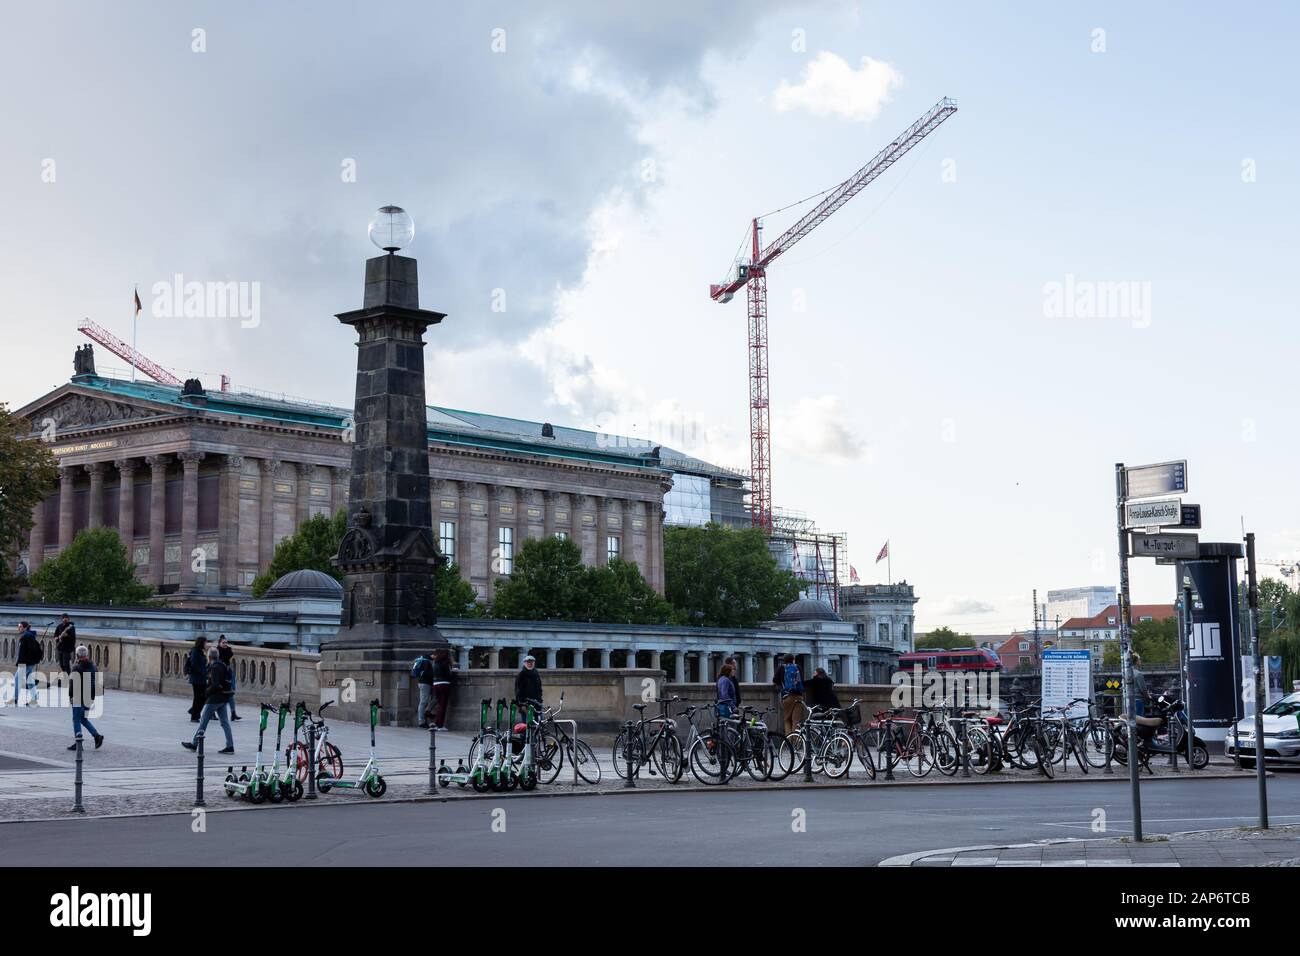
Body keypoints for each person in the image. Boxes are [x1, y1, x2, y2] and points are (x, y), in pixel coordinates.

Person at [183, 646, 235, 754]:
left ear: (209, 656)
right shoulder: (222, 665)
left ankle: (194, 744)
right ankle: (230, 746)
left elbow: (215, 684)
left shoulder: (215, 667)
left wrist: (206, 692)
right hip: (223, 698)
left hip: (214, 699)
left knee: (203, 722)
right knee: (225, 723)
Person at [68, 645, 103, 750]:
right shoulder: (93, 667)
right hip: (89, 696)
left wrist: (71, 696)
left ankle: (78, 743)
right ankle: (97, 736)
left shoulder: (76, 667)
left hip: (78, 696)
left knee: (76, 719)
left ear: (77, 655)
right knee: (83, 718)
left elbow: (72, 684)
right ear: (87, 655)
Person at [13, 621, 41, 706]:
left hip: (25, 663)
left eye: (20, 627)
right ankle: (34, 698)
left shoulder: (27, 636)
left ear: (25, 628)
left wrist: (24, 661)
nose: (19, 628)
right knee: (30, 680)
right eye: (18, 626)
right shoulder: (29, 636)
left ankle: (15, 699)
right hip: (29, 662)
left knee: (17, 679)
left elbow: (30, 651)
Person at [779, 653, 805, 737]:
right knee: (796, 721)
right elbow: (802, 680)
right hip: (799, 696)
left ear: (784, 660)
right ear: (793, 660)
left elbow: (775, 679)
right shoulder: (798, 667)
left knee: (787, 720)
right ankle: (796, 743)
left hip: (787, 696)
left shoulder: (782, 668)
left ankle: (789, 742)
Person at [216, 636, 241, 720]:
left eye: (226, 642)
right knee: (217, 695)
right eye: (223, 643)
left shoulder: (228, 650)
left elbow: (228, 656)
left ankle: (233, 713)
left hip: (227, 673)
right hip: (219, 674)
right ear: (219, 643)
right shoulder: (216, 651)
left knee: (230, 694)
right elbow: (222, 658)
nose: (225, 644)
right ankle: (211, 713)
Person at [185, 636, 209, 722]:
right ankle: (194, 716)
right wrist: (203, 673)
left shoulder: (201, 651)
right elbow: (195, 664)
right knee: (199, 697)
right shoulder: (195, 651)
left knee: (202, 696)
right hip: (197, 678)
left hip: (200, 678)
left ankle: (194, 711)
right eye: (206, 642)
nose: (206, 644)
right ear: (202, 642)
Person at [430, 648, 454, 731]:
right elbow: (449, 674)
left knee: (439, 705)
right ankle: (439, 725)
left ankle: (437, 724)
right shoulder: (446, 662)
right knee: (442, 706)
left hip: (436, 684)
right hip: (444, 684)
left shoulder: (435, 662)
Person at [412, 650, 435, 728]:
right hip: (425, 683)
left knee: (425, 701)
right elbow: (427, 674)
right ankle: (421, 721)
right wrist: (434, 674)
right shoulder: (427, 662)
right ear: (432, 655)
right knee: (423, 702)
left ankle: (425, 714)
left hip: (423, 683)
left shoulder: (424, 660)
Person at [1131, 651, 1149, 716]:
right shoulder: (1138, 674)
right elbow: (1143, 689)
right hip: (1138, 700)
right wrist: (1147, 697)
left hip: (1130, 700)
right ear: (1136, 661)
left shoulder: (1127, 673)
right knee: (1140, 719)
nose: (1140, 661)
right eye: (1139, 659)